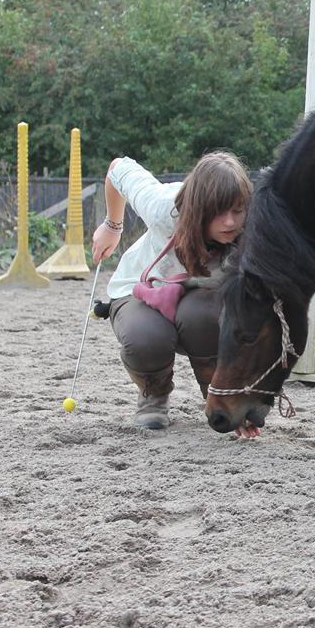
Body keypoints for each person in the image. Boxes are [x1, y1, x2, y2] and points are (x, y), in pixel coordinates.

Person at [91, 151, 252, 431]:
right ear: (198, 207)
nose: (229, 222)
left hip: (199, 301)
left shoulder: (254, 229)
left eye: (237, 211)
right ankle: (153, 395)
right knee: (145, 337)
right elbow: (118, 167)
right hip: (141, 289)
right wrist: (112, 226)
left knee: (207, 317)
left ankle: (218, 394)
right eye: (219, 212)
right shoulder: (161, 206)